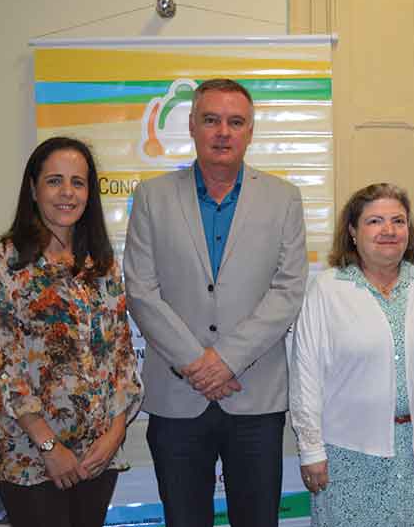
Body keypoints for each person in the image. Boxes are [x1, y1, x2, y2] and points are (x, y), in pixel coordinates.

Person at [124, 78, 308, 527]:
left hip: (255, 397)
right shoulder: (151, 197)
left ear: (250, 131)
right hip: (176, 397)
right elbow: (141, 291)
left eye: (235, 122)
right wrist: (197, 364)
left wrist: (225, 360)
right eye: (211, 120)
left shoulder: (283, 198)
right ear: (191, 126)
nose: (223, 132)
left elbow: (288, 290)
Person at [0, 136, 143, 527]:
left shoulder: (101, 264)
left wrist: (115, 433)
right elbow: (1, 367)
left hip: (97, 456)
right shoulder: (4, 263)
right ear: (33, 190)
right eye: (54, 181)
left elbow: (120, 356)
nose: (67, 192)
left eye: (77, 182)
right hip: (32, 459)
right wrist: (49, 445)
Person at [290, 183, 414, 527]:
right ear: (352, 232)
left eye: (398, 221)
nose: (389, 230)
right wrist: (311, 450)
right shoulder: (326, 290)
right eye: (374, 221)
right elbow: (305, 376)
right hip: (347, 454)